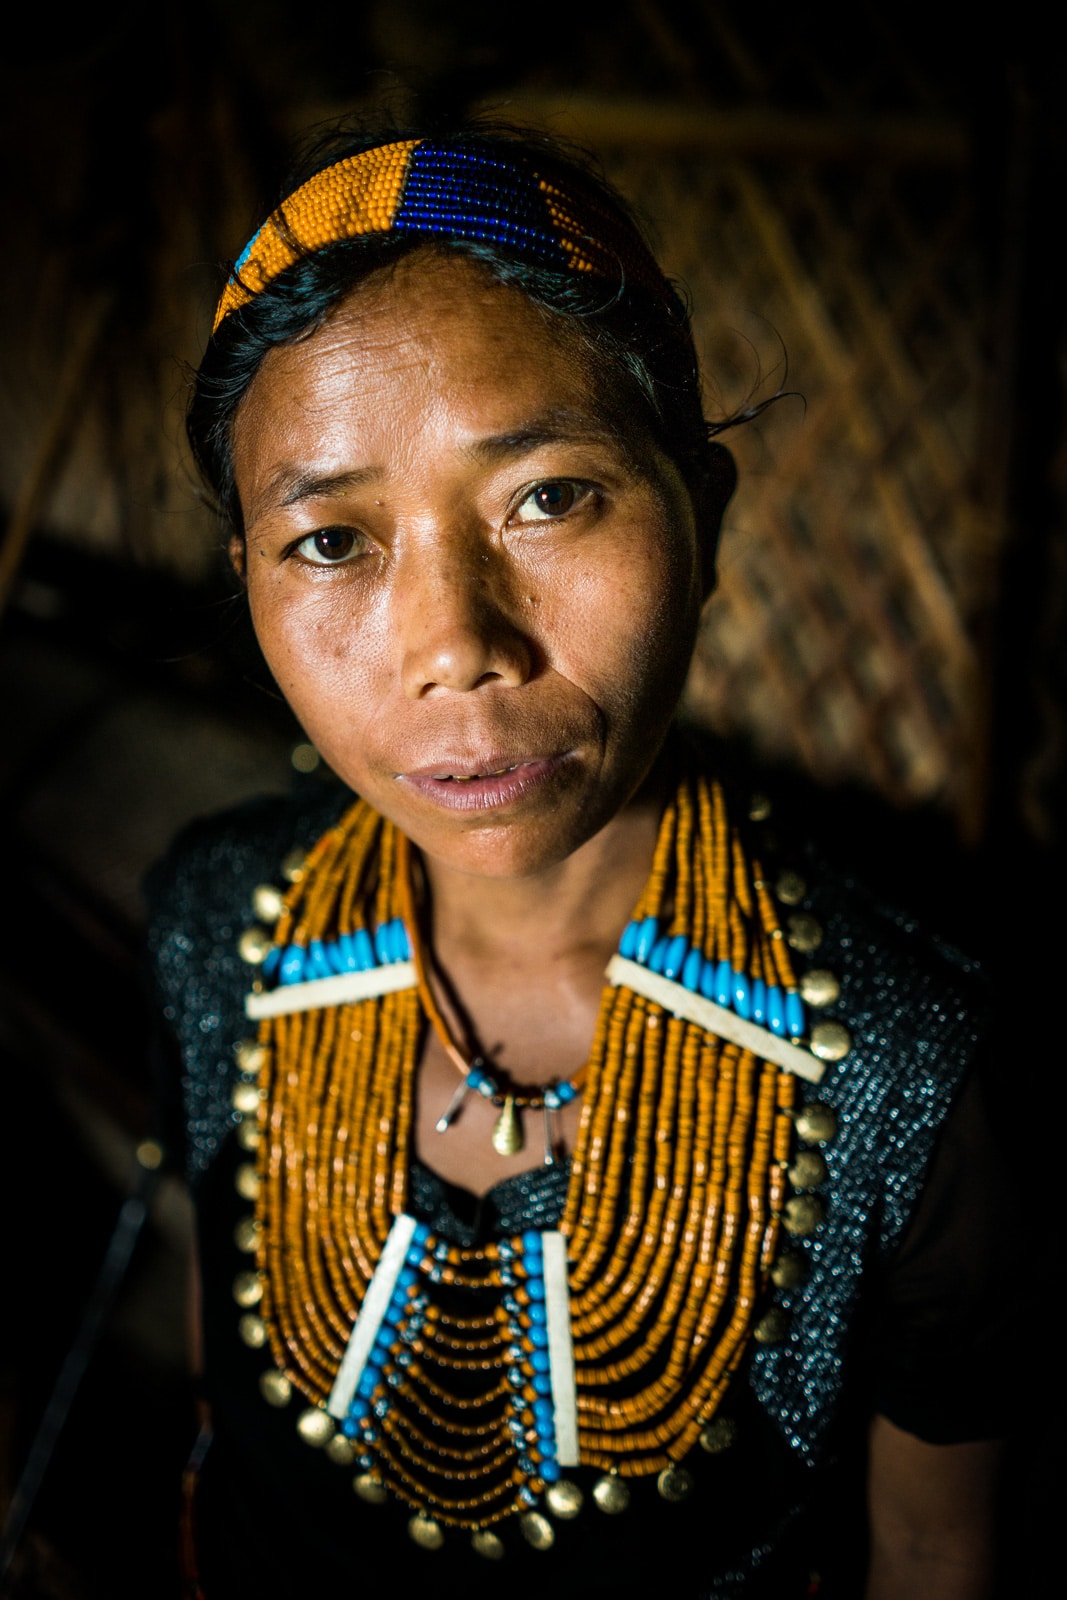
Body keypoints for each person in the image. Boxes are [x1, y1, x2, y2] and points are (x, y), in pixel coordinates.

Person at [150, 124, 1005, 1598]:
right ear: (245, 585)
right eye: (333, 542)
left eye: (549, 495)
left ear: (703, 517)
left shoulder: (917, 1079)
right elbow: (222, 1392)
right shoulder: (219, 917)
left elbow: (932, 1551)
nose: (457, 649)